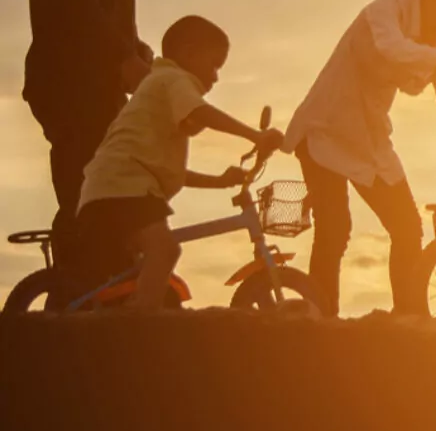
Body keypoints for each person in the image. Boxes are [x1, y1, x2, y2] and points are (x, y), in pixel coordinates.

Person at [283, 0, 436, 318]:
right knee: (335, 229)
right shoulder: (387, 8)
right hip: (325, 126)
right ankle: (321, 320)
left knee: (407, 227)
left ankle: (410, 317)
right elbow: (393, 48)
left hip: (369, 136)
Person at [23, 0, 154, 294]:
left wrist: (139, 53)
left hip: (97, 82)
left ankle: (95, 294)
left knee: (104, 187)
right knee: (89, 192)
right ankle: (74, 301)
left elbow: (109, 8)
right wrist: (124, 57)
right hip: (71, 82)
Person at [76, 16, 284, 311]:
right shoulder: (174, 80)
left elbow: (169, 170)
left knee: (145, 265)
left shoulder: (160, 89)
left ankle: (130, 311)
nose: (215, 77)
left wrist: (219, 181)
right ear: (187, 54)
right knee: (165, 250)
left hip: (115, 186)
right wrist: (255, 135)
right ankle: (138, 323)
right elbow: (201, 112)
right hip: (123, 187)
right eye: (213, 65)